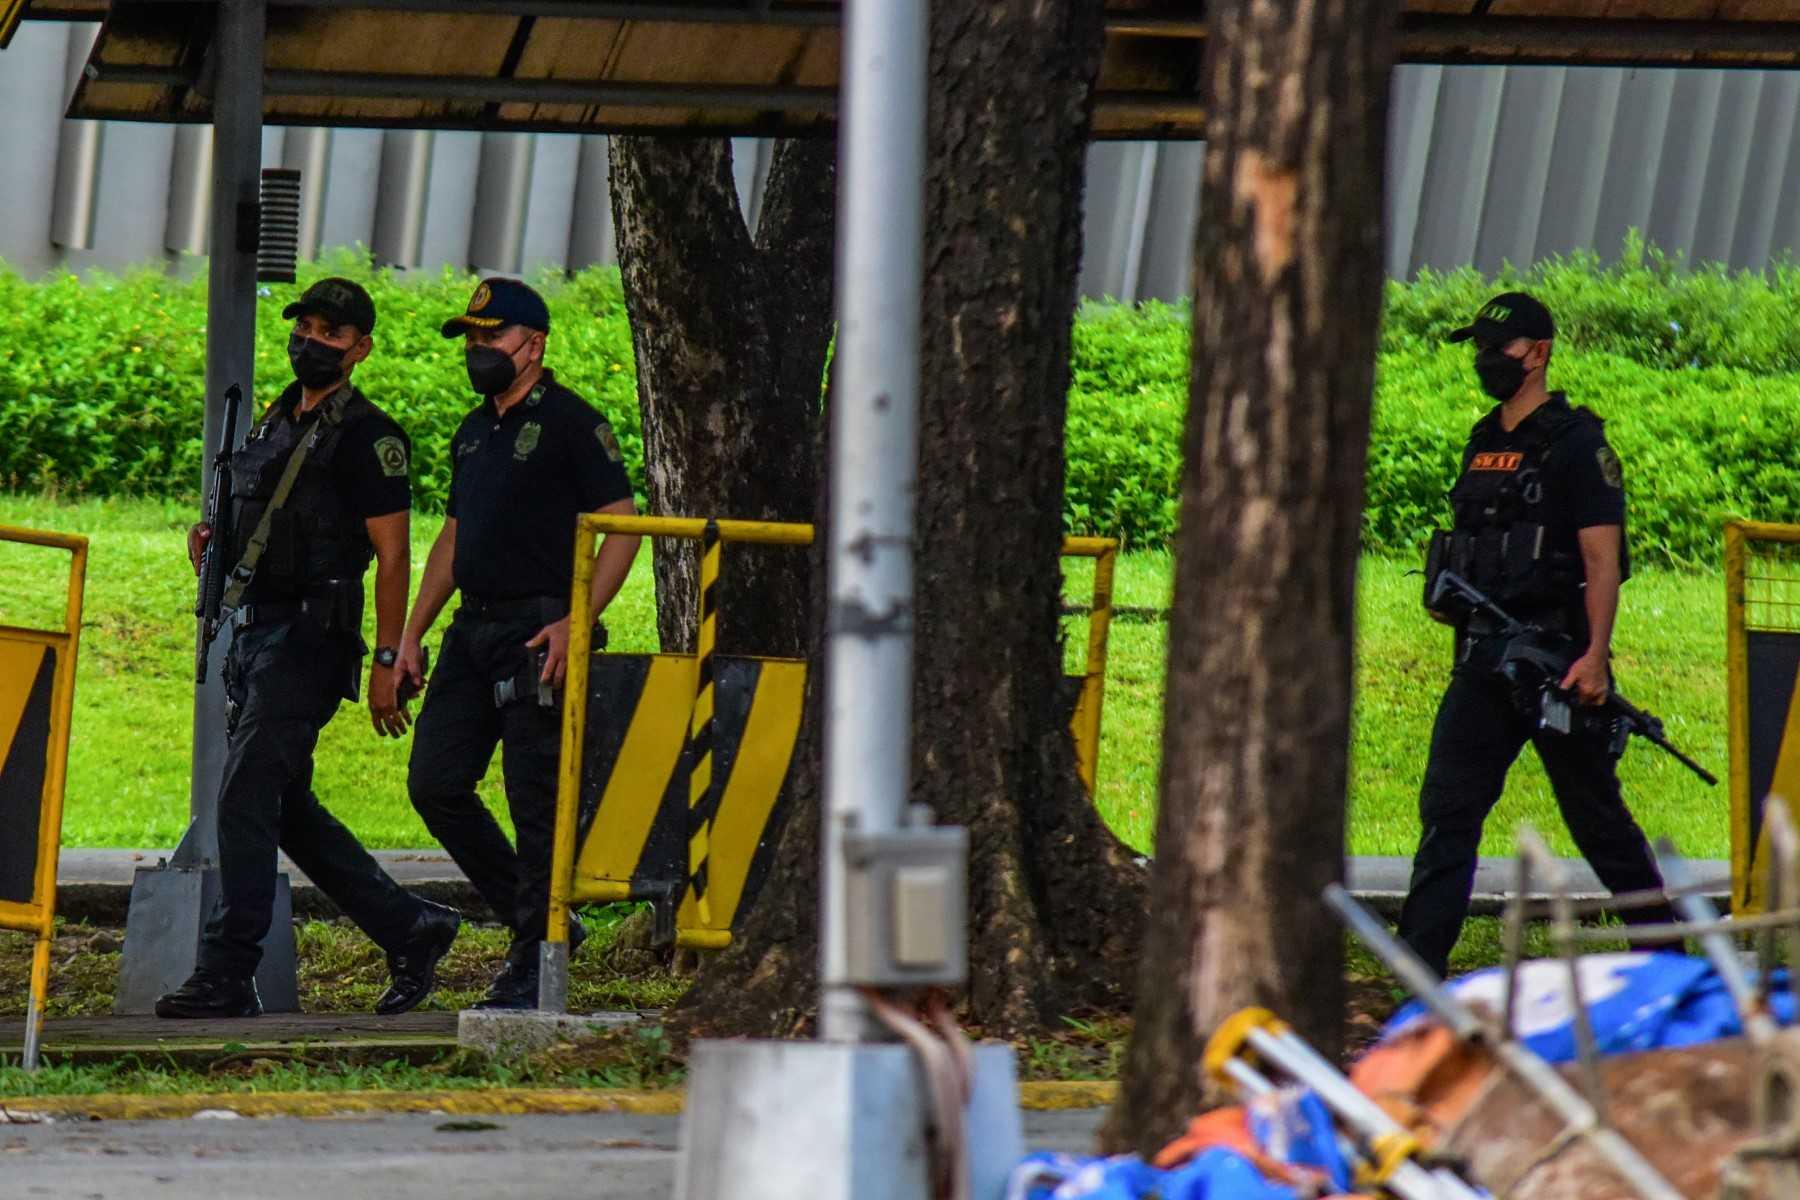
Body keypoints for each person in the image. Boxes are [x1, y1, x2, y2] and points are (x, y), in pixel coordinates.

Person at [157, 277, 460, 1019]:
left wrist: (388, 659)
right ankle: (411, 928)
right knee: (285, 808)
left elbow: (394, 555)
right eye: (306, 327)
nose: (312, 342)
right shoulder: (274, 420)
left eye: (331, 333)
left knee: (243, 794)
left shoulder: (369, 436)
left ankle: (228, 971)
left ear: (361, 349)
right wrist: (214, 543)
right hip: (257, 635)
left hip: (310, 639)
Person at [1397, 291, 1677, 978]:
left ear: (1539, 352)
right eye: (1480, 348)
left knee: (1596, 819)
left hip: (1558, 663)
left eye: (1500, 348)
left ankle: (1669, 959)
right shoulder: (1483, 440)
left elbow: (1602, 561)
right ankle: (1418, 974)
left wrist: (1596, 658)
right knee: (1448, 813)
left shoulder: (1578, 445)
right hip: (1484, 659)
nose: (1486, 359)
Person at [401, 277, 641, 1009]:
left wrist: (577, 618)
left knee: (533, 801)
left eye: (492, 336)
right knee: (435, 783)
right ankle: (538, 922)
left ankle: (536, 960)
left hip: (542, 631)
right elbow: (453, 536)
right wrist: (410, 634)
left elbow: (623, 524)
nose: (479, 349)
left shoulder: (572, 423)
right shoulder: (474, 430)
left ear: (533, 345)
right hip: (472, 629)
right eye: (471, 338)